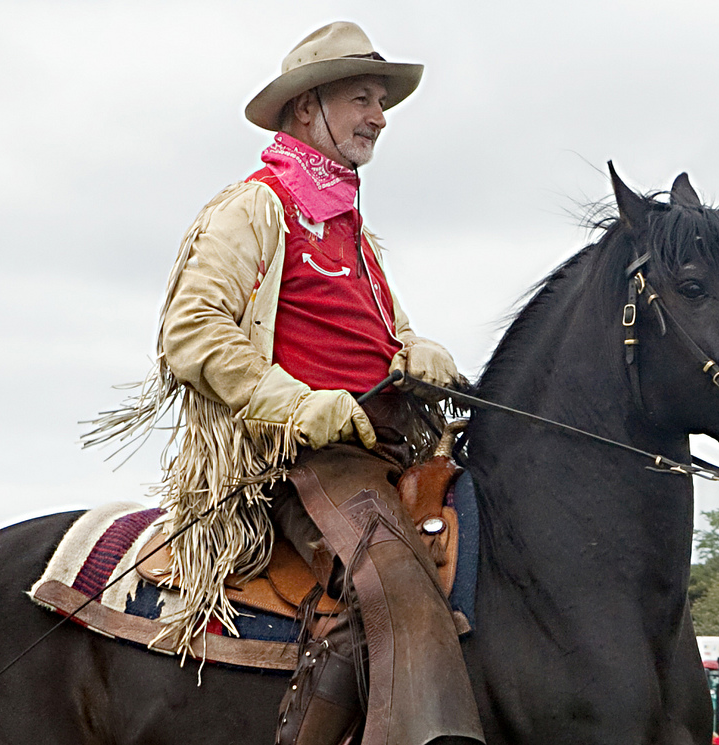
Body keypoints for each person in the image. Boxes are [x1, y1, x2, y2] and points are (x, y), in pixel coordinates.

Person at [87, 20, 483, 745]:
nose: (379, 116)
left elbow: (381, 339)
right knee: (390, 587)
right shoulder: (257, 206)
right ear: (308, 109)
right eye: (362, 98)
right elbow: (192, 329)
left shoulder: (351, 232)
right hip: (297, 460)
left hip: (383, 449)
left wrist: (417, 351)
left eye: (380, 101)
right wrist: (300, 405)